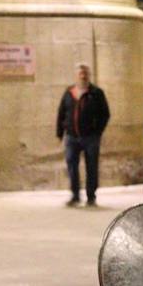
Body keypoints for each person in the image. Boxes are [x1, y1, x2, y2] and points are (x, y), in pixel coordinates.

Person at [55, 62, 110, 207]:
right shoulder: (69, 93)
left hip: (90, 137)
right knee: (72, 166)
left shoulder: (96, 93)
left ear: (88, 76)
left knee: (92, 167)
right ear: (76, 76)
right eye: (80, 74)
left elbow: (105, 114)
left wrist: (97, 131)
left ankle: (91, 196)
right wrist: (60, 133)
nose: (83, 76)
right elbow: (61, 113)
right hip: (72, 137)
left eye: (85, 74)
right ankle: (75, 195)